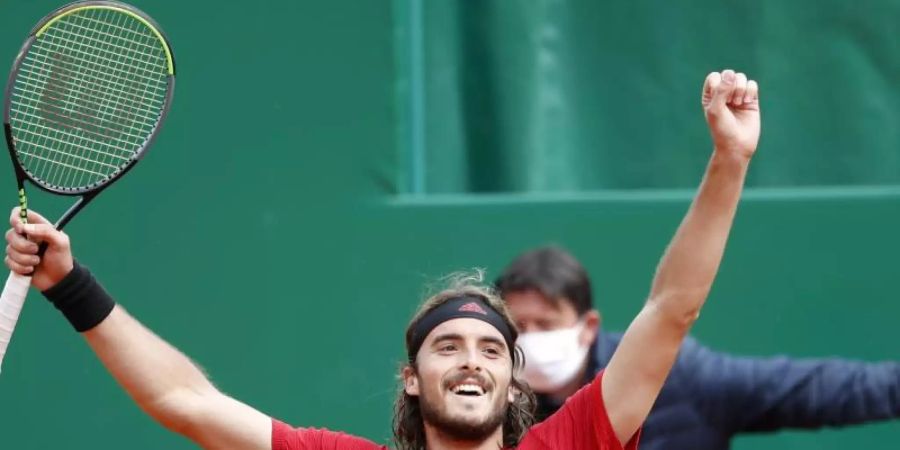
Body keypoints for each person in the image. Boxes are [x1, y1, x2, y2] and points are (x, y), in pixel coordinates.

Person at [4, 69, 760, 450]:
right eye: (449, 346)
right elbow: (185, 405)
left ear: (512, 376)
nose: (471, 362)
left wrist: (728, 162)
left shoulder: (576, 440)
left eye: (493, 349)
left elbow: (672, 310)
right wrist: (71, 285)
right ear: (411, 376)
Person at [497, 248, 900, 450]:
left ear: (588, 327)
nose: (530, 339)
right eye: (519, 328)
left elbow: (810, 390)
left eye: (545, 325)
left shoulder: (677, 377)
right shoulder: (491, 405)